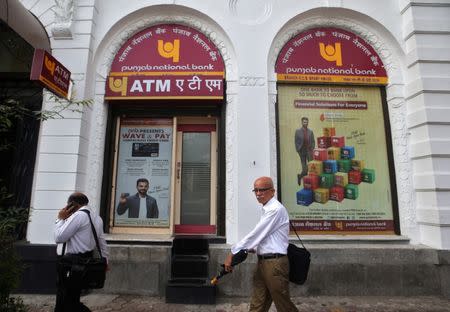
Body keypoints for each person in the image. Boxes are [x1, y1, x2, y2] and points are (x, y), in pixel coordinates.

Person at [223, 177, 298, 312]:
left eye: (262, 190)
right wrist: (254, 248)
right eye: (256, 190)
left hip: (274, 264)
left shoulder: (275, 209)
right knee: (258, 302)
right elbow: (266, 237)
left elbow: (256, 234)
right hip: (263, 262)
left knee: (283, 304)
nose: (258, 193)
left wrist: (233, 251)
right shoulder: (267, 209)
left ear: (272, 191)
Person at [54, 192, 109, 312]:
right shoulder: (96, 217)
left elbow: (59, 237)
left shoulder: (78, 216)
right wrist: (106, 260)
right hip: (84, 261)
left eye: (68, 205)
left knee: (66, 300)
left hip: (71, 263)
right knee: (71, 298)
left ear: (73, 204)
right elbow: (102, 242)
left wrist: (60, 219)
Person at [294, 116, 315, 185]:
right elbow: (296, 141)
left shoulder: (310, 132)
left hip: (309, 151)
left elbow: (313, 141)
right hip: (302, 151)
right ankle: (300, 177)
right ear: (302, 122)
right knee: (305, 169)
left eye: (306, 122)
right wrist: (298, 150)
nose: (305, 123)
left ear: (308, 123)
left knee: (311, 167)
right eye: (304, 122)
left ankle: (308, 180)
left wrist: (312, 149)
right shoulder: (298, 131)